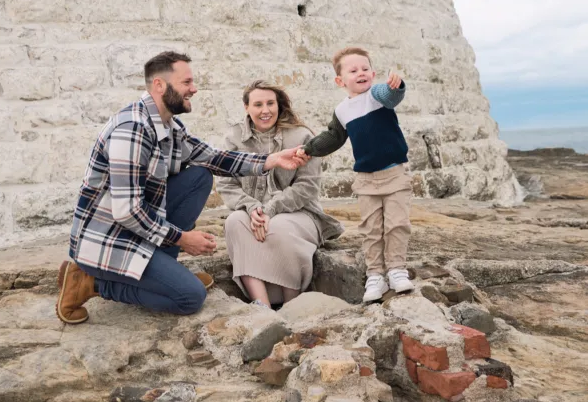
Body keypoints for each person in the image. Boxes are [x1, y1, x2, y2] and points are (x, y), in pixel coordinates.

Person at [56, 51, 305, 323]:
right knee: (190, 297)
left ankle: (164, 270)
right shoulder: (133, 129)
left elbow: (213, 158)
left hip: (137, 230)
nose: (194, 89)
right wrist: (182, 239)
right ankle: (91, 282)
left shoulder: (169, 126)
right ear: (159, 85)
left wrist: (271, 160)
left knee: (199, 176)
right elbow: (127, 212)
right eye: (186, 82)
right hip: (110, 240)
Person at [299, 46, 414, 304]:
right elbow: (333, 137)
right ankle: (375, 275)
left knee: (396, 225)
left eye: (365, 69)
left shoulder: (377, 95)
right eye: (353, 71)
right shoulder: (342, 110)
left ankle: (396, 270)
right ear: (340, 81)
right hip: (366, 179)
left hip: (395, 174)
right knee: (371, 229)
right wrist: (308, 149)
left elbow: (390, 96)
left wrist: (397, 86)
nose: (360, 73)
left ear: (372, 73)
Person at [218, 81, 343, 308]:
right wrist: (252, 207)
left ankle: (291, 303)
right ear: (246, 107)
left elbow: (307, 187)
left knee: (278, 226)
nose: (265, 110)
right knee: (234, 221)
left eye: (270, 103)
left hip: (299, 213)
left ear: (278, 105)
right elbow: (226, 183)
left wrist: (270, 209)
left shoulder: (301, 136)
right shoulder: (233, 137)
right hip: (252, 210)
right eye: (258, 104)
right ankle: (261, 305)